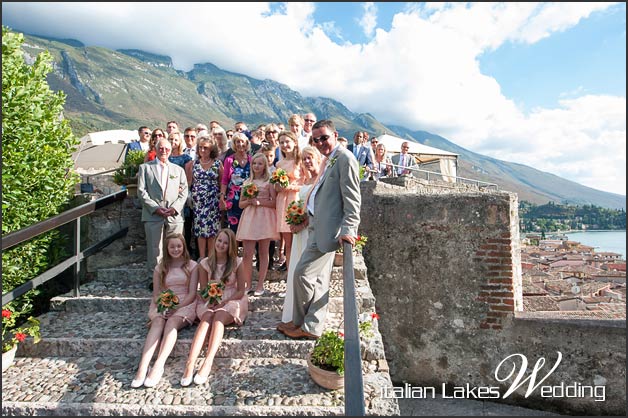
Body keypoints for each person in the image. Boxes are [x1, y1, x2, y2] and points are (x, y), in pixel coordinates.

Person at [278, 120, 361, 340]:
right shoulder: (329, 159)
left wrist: (349, 228)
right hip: (315, 225)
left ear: (335, 135)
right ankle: (305, 324)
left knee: (303, 274)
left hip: (329, 229)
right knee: (309, 276)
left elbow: (352, 198)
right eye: (316, 139)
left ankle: (307, 325)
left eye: (324, 137)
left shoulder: (345, 158)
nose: (321, 142)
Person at [180, 228, 248, 386]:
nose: (221, 245)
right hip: (210, 298)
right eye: (219, 241)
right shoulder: (205, 263)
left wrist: (224, 302)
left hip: (232, 299)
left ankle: (208, 361)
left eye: (226, 243)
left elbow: (241, 290)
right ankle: (190, 363)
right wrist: (211, 300)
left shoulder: (237, 263)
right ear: (215, 241)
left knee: (218, 318)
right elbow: (203, 289)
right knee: (206, 318)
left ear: (230, 246)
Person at [131, 233, 198, 388]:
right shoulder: (160, 268)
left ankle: (158, 364)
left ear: (184, 247)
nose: (176, 249)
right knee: (158, 322)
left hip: (185, 303)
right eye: (172, 246)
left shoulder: (192, 266)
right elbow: (156, 293)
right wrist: (164, 306)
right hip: (164, 301)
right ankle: (143, 366)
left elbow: (192, 293)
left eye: (179, 246)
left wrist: (176, 307)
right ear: (167, 249)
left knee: (172, 323)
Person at [279, 146, 323, 325]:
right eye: (304, 158)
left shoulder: (321, 181)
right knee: (296, 269)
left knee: (306, 274)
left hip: (311, 233)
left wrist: (304, 222)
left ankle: (306, 317)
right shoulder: (305, 182)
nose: (307, 161)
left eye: (310, 158)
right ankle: (291, 314)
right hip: (299, 233)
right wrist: (294, 220)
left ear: (318, 159)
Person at [137, 138, 188, 288]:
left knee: (176, 247)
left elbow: (184, 191)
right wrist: (155, 208)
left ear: (171, 150)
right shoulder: (145, 168)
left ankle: (175, 278)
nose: (164, 151)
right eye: (161, 148)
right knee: (155, 248)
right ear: (156, 149)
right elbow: (141, 191)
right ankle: (155, 279)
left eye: (166, 148)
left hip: (174, 216)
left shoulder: (178, 170)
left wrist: (174, 208)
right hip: (153, 214)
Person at [236, 153, 278, 295]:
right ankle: (247, 284)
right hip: (249, 217)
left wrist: (260, 202)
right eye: (254, 163)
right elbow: (240, 204)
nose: (257, 166)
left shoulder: (269, 181)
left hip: (264, 217)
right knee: (247, 253)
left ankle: (260, 284)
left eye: (260, 164)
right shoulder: (247, 182)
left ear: (265, 165)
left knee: (263, 251)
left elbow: (274, 202)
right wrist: (249, 201)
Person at [185, 135, 223, 259]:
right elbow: (189, 183)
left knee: (212, 231)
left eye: (205, 148)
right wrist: (190, 197)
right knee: (200, 230)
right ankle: (202, 257)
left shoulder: (217, 164)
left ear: (212, 149)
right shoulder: (193, 164)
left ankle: (211, 257)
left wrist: (221, 198)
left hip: (212, 201)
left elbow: (221, 182)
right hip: (199, 202)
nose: (202, 150)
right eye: (200, 148)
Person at [274, 131, 305, 272]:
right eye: (281, 142)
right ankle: (290, 271)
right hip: (283, 200)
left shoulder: (300, 161)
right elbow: (275, 185)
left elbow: (306, 183)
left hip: (295, 200)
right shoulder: (279, 164)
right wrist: (278, 186)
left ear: (294, 142)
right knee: (287, 241)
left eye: (287, 142)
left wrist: (291, 187)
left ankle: (299, 269)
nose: (284, 145)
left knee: (298, 239)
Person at [220, 132, 252, 235]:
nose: (240, 144)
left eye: (242, 141)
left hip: (247, 197)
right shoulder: (229, 160)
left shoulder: (251, 160)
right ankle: (234, 250)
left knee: (248, 227)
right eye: (237, 142)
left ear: (247, 143)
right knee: (234, 228)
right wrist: (222, 197)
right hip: (232, 199)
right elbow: (225, 180)